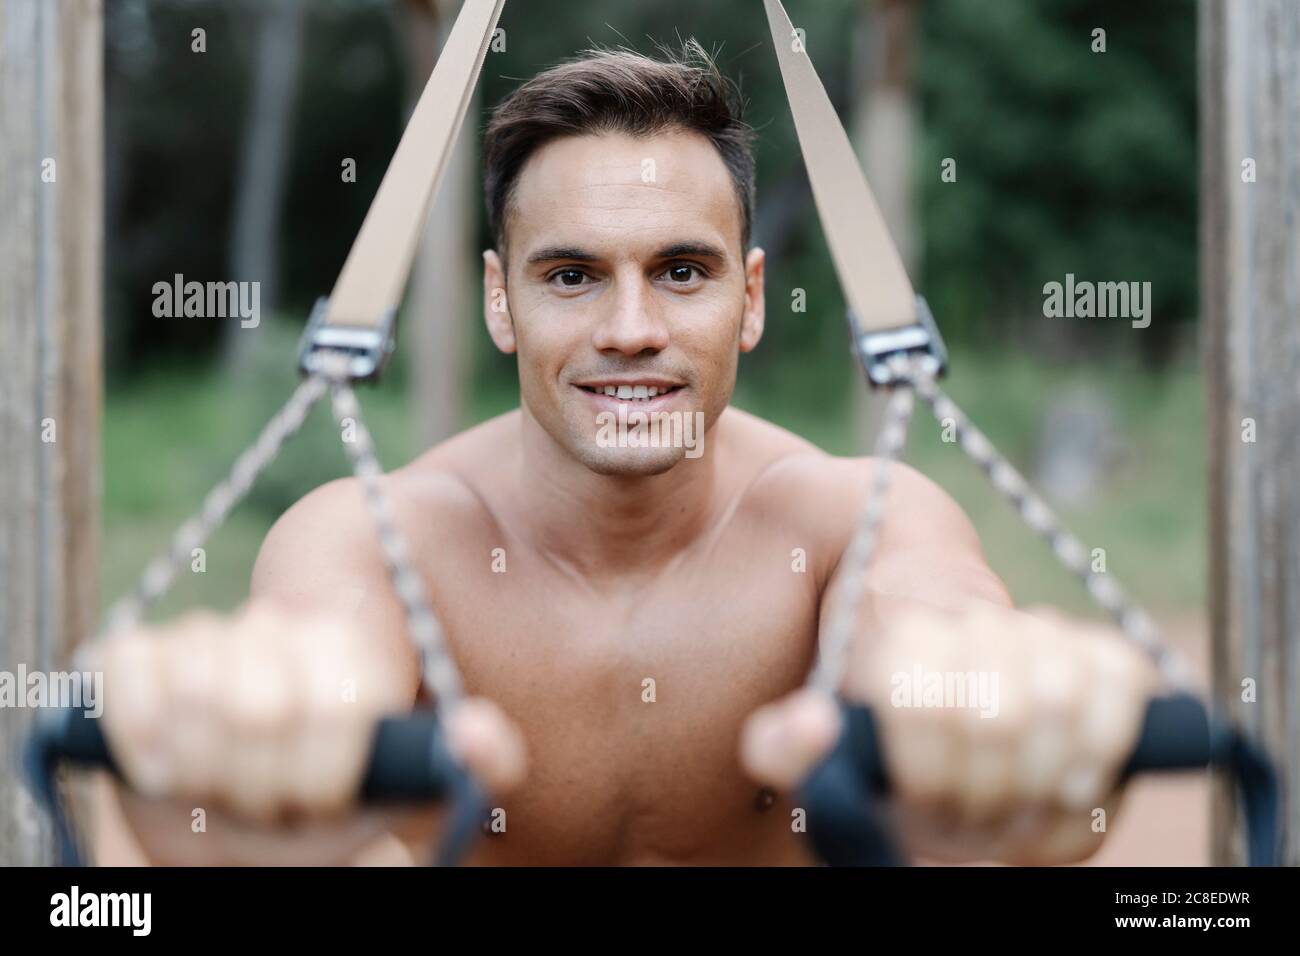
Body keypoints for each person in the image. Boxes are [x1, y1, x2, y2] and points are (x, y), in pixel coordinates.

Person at [90, 42, 1156, 866]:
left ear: (749, 298)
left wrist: (987, 703)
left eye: (682, 272)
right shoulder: (373, 536)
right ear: (499, 302)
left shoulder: (854, 520)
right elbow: (308, 669)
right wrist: (234, 736)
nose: (631, 327)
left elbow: (933, 632)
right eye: (570, 276)